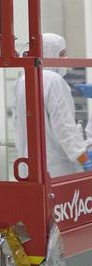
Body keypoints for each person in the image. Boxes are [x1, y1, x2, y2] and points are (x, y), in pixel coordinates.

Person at [12, 33, 92, 177]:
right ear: (49, 53)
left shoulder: (22, 79)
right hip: (57, 168)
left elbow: (16, 123)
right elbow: (64, 127)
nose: (64, 59)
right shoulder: (53, 80)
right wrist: (83, 159)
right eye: (61, 54)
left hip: (29, 165)